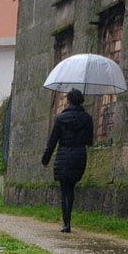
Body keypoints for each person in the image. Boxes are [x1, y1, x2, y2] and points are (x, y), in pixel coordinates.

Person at [41, 88, 95, 232]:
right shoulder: (88, 119)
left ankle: (66, 223)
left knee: (65, 189)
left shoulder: (60, 119)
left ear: (68, 101)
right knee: (71, 188)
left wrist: (45, 159)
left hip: (64, 156)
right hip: (79, 156)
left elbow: (52, 141)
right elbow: (89, 141)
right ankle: (67, 220)